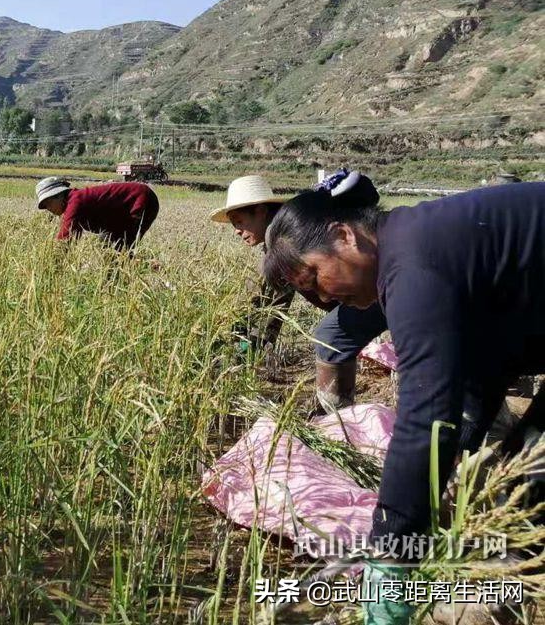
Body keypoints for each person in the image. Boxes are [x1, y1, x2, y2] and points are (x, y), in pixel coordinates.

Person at [262, 172, 545, 618]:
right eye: (308, 294)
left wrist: (389, 551)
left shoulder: (412, 266)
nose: (322, 300)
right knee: (518, 472)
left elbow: (425, 418)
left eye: (315, 277)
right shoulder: (417, 242)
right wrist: (460, 454)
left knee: (529, 486)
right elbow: (484, 362)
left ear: (344, 235)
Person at [210, 174, 387, 411]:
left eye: (239, 221)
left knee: (331, 336)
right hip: (374, 287)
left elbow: (269, 309)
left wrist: (240, 352)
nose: (237, 231)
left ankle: (338, 419)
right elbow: (265, 306)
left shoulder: (287, 243)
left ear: (261, 211)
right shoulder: (287, 233)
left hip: (372, 289)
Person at [35, 177, 159, 251]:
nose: (47, 209)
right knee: (107, 247)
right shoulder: (73, 203)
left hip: (140, 200)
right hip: (119, 216)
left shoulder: (76, 202)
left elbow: (64, 240)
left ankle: (153, 270)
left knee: (118, 251)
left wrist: (49, 264)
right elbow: (72, 236)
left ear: (58, 196)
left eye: (47, 204)